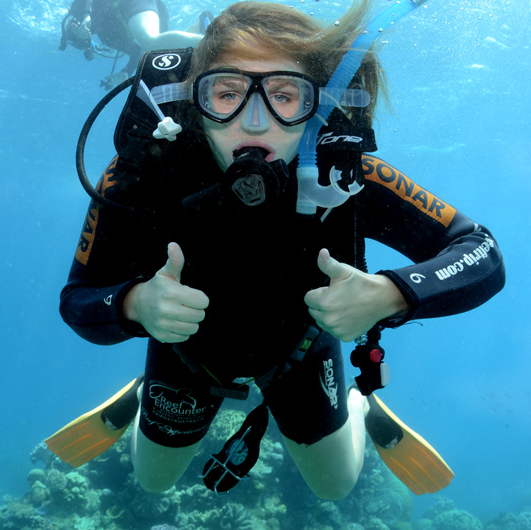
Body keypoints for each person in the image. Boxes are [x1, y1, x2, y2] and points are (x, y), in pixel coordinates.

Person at [58, 0, 505, 500]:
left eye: (283, 95)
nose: (253, 123)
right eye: (226, 93)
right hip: (185, 356)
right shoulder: (141, 176)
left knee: (334, 488)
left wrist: (391, 294)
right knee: (153, 482)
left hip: (300, 355)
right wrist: (133, 305)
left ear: (319, 103)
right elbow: (77, 300)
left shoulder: (347, 179)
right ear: (194, 101)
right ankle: (145, 395)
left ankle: (357, 406)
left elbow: (481, 252)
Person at [59, 0, 204, 88]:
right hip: (139, 10)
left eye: (74, 26)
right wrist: (126, 71)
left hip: (131, 3)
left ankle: (218, 42)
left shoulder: (82, 8)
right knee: (163, 52)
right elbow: (136, 51)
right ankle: (203, 24)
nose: (78, 28)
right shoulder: (107, 36)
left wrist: (85, 14)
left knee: (150, 40)